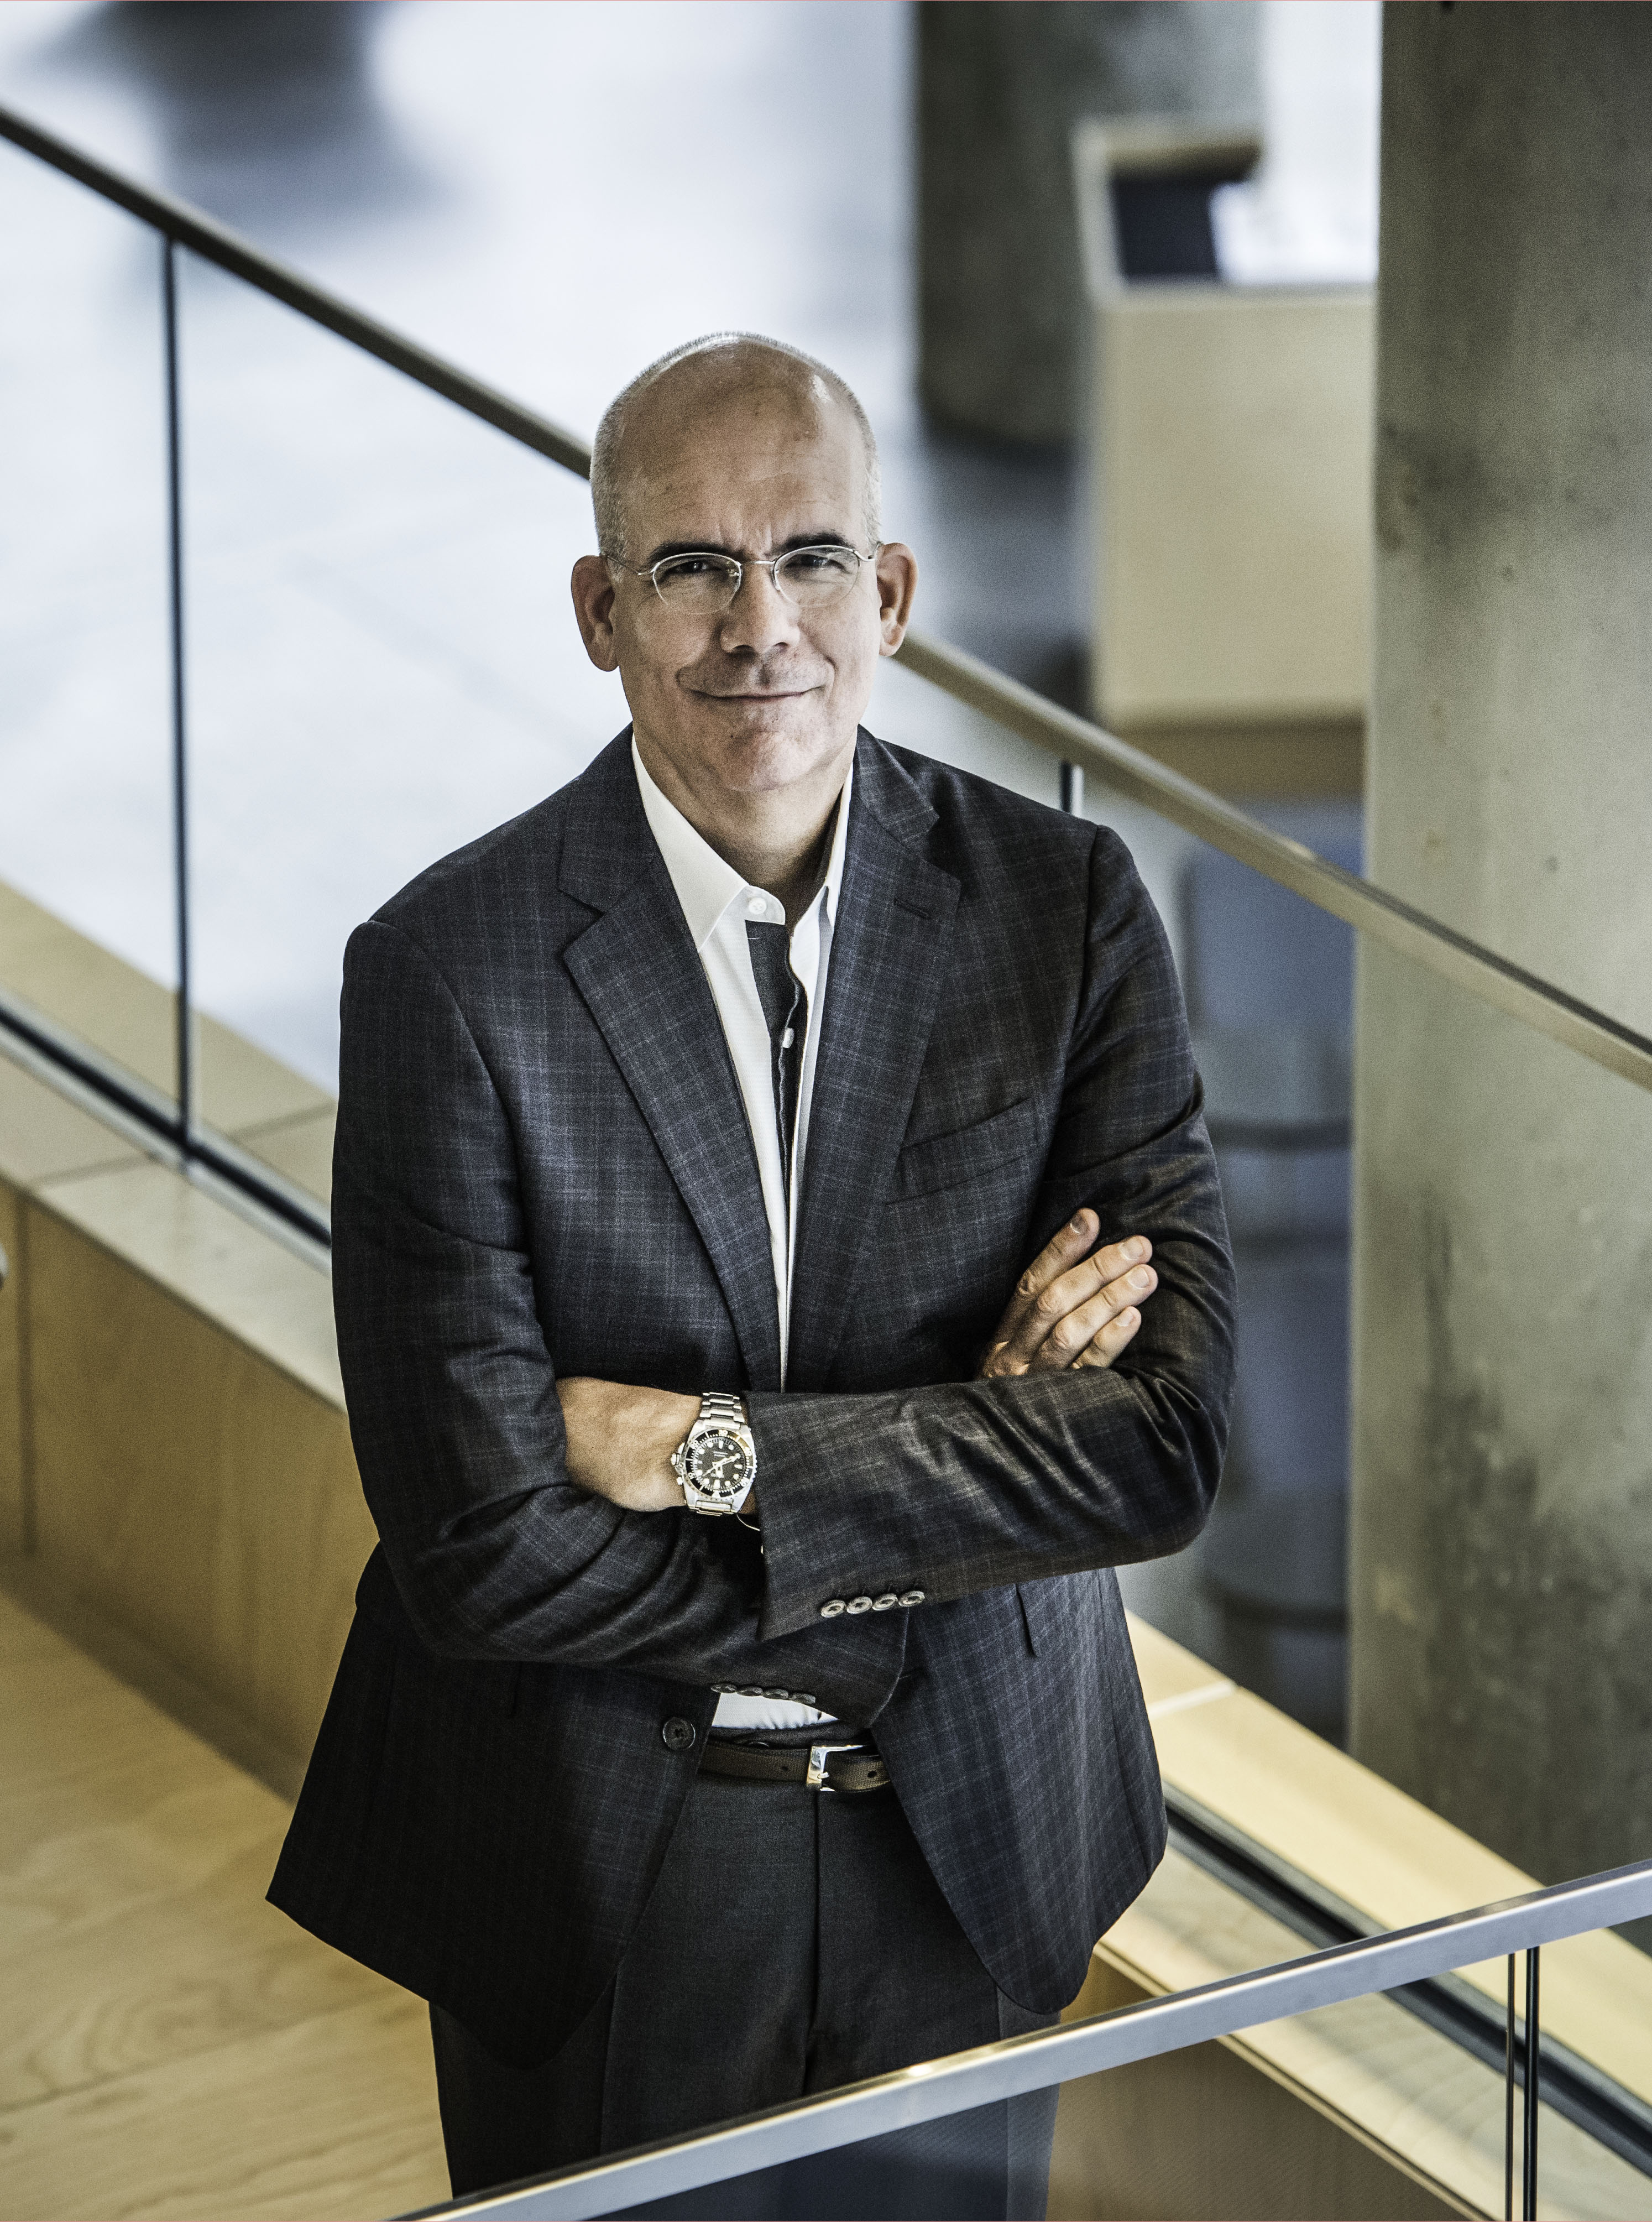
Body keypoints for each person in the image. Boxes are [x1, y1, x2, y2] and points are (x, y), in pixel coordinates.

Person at [269, 332, 1235, 2221]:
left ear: (884, 593)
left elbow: (1159, 1451)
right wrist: (947, 1497)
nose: (755, 624)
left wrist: (703, 1448)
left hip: (967, 1834)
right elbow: (479, 1544)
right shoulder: (446, 976)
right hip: (612, 1851)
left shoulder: (1069, 912)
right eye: (688, 567)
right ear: (597, 611)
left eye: (805, 557)